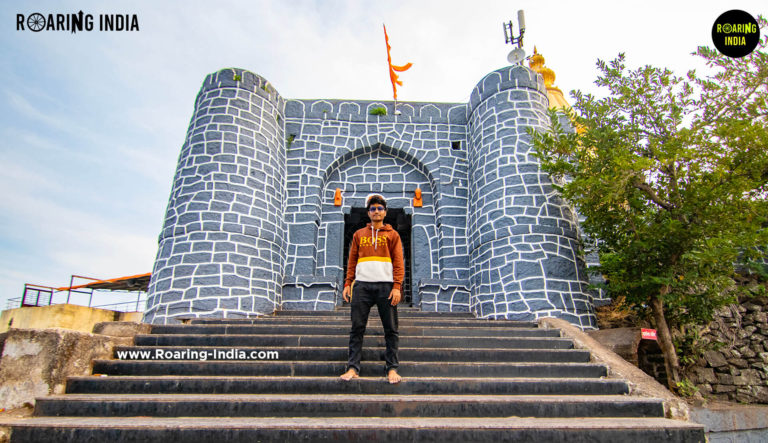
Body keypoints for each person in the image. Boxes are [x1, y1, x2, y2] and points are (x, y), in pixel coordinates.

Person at [339, 194, 404, 384]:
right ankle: (352, 368)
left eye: (380, 208)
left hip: (386, 286)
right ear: (368, 213)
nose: (376, 211)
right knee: (357, 328)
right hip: (362, 286)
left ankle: (392, 368)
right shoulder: (359, 234)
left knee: (391, 329)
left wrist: (397, 287)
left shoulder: (393, 235)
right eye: (373, 208)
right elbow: (352, 262)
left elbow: (398, 263)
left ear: (385, 212)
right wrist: (347, 283)